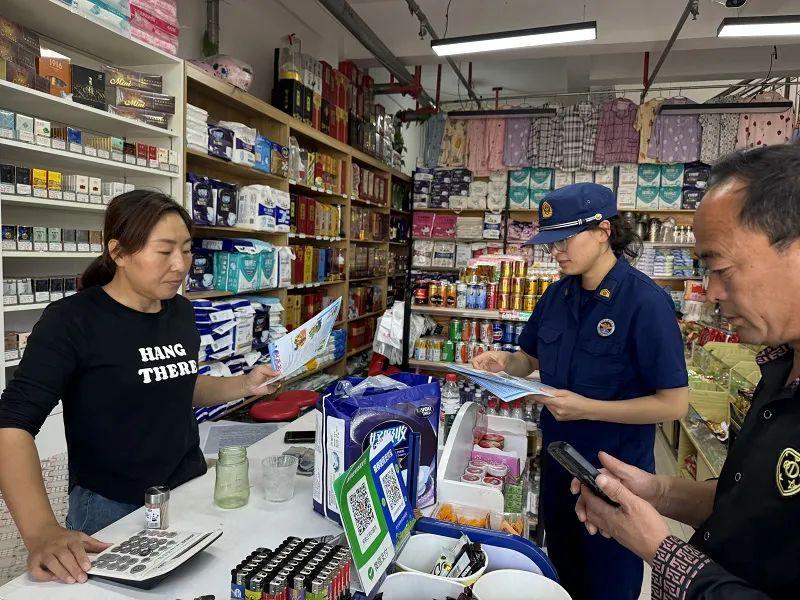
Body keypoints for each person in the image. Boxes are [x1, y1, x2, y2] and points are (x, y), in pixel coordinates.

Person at [0, 191, 281, 585]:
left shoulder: (180, 311)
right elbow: (12, 425)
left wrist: (244, 385)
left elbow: (177, 382)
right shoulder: (72, 321)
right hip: (113, 503)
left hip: (187, 487)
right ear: (118, 252)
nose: (180, 265)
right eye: (164, 251)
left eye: (186, 250)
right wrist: (41, 531)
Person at [573, 145, 800, 600]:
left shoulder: (643, 300)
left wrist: (661, 551)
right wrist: (657, 491)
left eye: (720, 268)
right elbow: (750, 506)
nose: (710, 292)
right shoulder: (778, 369)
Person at [471, 183, 689, 600]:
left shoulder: (645, 303)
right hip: (558, 470)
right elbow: (528, 359)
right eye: (551, 242)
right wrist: (503, 362)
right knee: (562, 578)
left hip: (614, 479)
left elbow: (674, 404)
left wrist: (588, 408)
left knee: (608, 586)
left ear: (603, 231)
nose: (556, 251)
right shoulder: (557, 294)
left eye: (565, 239)